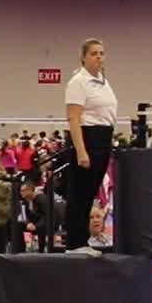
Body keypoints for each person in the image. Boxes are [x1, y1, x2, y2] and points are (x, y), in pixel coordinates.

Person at [63, 39, 117, 250]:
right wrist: (81, 151)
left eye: (101, 53)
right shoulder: (78, 82)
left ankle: (82, 241)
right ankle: (75, 244)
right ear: (83, 57)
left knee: (89, 194)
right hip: (88, 137)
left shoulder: (103, 80)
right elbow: (73, 118)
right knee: (79, 195)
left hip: (104, 137)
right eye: (94, 53)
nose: (99, 57)